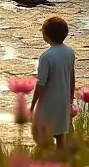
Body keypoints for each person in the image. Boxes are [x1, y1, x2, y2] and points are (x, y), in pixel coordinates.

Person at [30, 16, 76, 150]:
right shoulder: (69, 52)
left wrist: (32, 105)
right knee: (61, 132)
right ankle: (61, 157)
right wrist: (71, 97)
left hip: (48, 102)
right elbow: (71, 77)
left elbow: (41, 85)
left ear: (46, 35)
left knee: (42, 132)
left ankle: (45, 158)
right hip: (63, 100)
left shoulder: (46, 57)